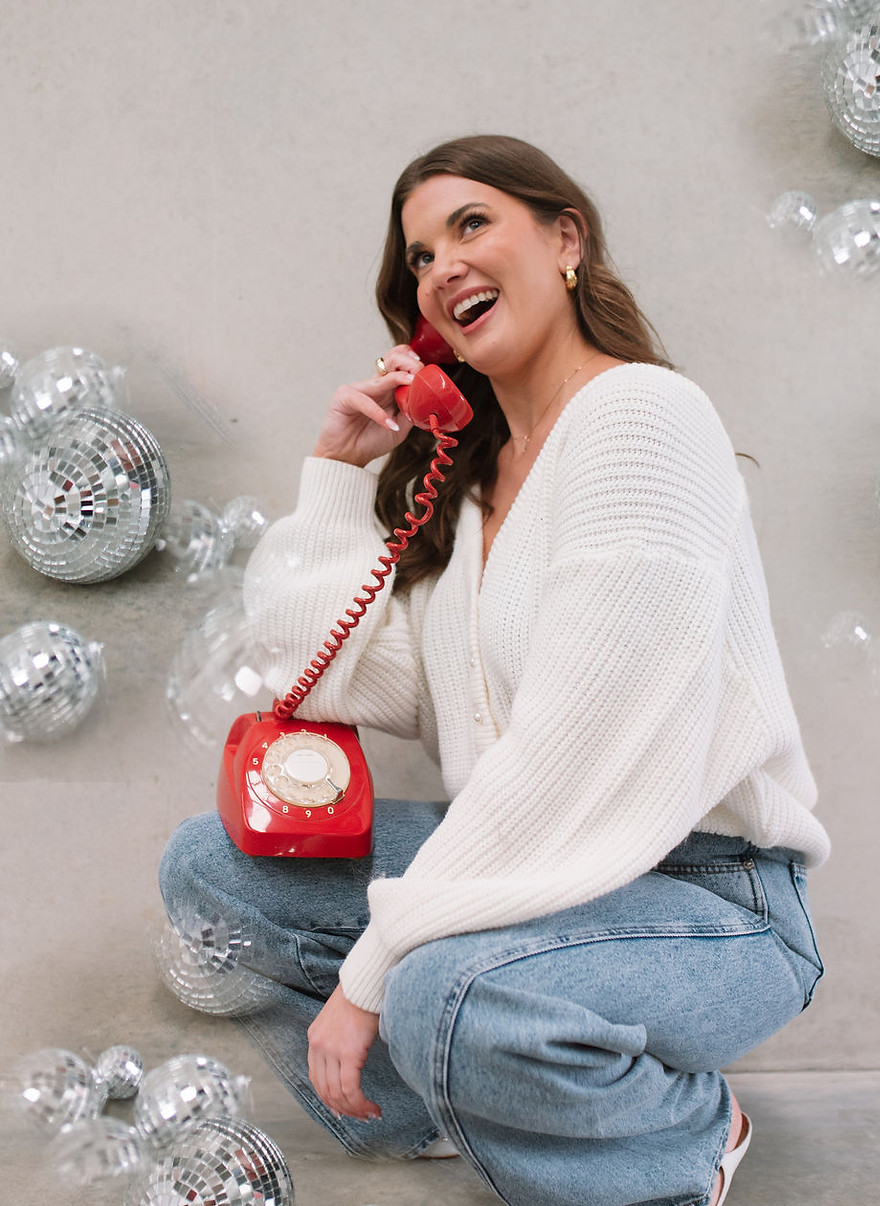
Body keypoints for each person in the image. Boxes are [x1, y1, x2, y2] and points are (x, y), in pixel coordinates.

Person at [159, 134, 830, 1206]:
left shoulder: (640, 419)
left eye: (471, 225)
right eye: (419, 257)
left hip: (708, 901)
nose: (442, 267)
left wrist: (375, 972)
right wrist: (335, 478)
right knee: (215, 872)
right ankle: (430, 1112)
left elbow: (576, 753)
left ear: (564, 239)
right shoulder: (466, 498)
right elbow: (316, 680)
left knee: (438, 990)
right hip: (523, 881)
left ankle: (679, 1140)